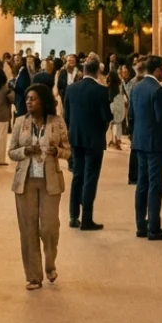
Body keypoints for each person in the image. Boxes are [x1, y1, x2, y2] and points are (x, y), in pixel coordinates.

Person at [8, 84, 71, 289]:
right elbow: (12, 152)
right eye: (27, 98)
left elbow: (67, 151)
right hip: (25, 182)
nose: (29, 102)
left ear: (43, 101)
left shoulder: (57, 122)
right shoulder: (19, 122)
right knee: (28, 229)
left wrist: (56, 152)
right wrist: (26, 150)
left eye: (33, 98)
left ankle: (50, 262)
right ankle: (34, 276)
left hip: (50, 180)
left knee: (49, 227)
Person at [131, 56, 162, 240]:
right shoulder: (158, 90)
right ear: (156, 70)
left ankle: (141, 224)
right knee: (156, 185)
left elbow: (131, 114)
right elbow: (161, 118)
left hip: (140, 141)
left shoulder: (137, 87)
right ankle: (154, 227)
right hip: (156, 143)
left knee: (142, 184)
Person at [64, 58, 111, 230]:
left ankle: (73, 215)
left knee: (77, 175)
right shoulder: (101, 90)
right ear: (98, 71)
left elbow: (66, 115)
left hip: (76, 138)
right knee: (90, 177)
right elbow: (107, 116)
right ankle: (87, 218)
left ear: (83, 70)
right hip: (94, 139)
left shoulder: (71, 89)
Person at [107, 70, 128, 150]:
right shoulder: (120, 83)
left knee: (111, 123)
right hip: (119, 103)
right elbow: (123, 93)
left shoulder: (109, 85)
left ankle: (112, 139)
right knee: (118, 124)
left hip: (111, 104)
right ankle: (117, 140)